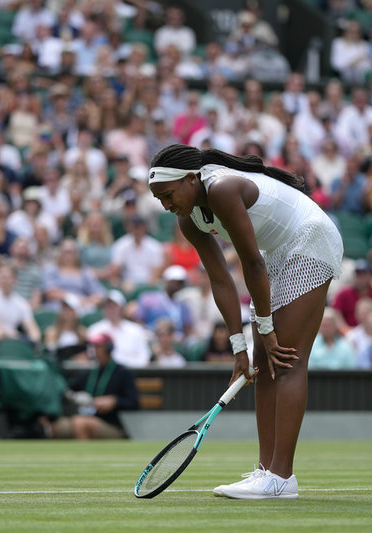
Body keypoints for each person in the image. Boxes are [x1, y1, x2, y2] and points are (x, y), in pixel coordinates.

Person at [147, 144, 343, 500]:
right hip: (279, 251)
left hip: (311, 238)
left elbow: (251, 264)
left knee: (287, 359)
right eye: (159, 199)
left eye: (168, 194)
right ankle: (266, 472)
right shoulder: (187, 219)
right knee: (263, 363)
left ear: (192, 180)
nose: (166, 204)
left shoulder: (222, 189)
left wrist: (266, 330)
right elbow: (220, 280)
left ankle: (281, 477)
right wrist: (240, 348)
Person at [52, 333, 139, 439]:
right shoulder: (89, 373)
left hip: (112, 423)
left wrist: (114, 401)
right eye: (94, 347)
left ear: (108, 348)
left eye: (99, 347)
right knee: (62, 424)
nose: (95, 350)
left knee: (82, 423)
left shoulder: (123, 373)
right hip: (84, 416)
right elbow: (67, 390)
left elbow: (133, 402)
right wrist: (77, 398)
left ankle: (81, 455)